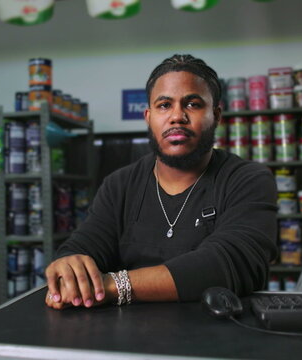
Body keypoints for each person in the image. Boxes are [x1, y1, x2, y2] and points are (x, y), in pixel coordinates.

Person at [45, 54, 278, 310]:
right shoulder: (119, 185)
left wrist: (113, 285)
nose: (177, 116)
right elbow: (83, 246)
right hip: (127, 341)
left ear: (216, 115)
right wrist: (69, 266)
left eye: (192, 104)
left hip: (222, 338)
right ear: (148, 116)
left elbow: (232, 263)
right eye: (164, 105)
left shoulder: (247, 179)